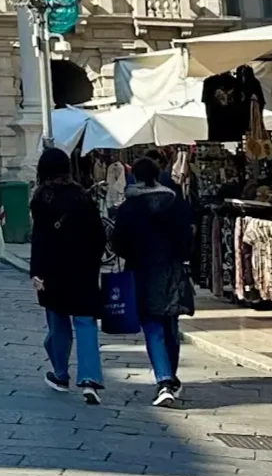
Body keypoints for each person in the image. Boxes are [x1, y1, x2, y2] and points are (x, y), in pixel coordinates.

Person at [112, 152, 197, 406]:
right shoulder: (176, 202)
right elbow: (188, 238)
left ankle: (165, 380)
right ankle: (171, 375)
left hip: (143, 270)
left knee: (153, 327)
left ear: (134, 176)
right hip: (173, 269)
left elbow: (119, 243)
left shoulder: (130, 207)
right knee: (171, 325)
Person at [29, 146, 106, 404]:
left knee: (58, 323)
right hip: (83, 269)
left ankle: (61, 374)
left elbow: (39, 238)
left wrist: (36, 271)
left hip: (53, 270)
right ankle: (90, 379)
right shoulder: (84, 197)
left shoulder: (41, 198)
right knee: (85, 324)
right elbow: (100, 236)